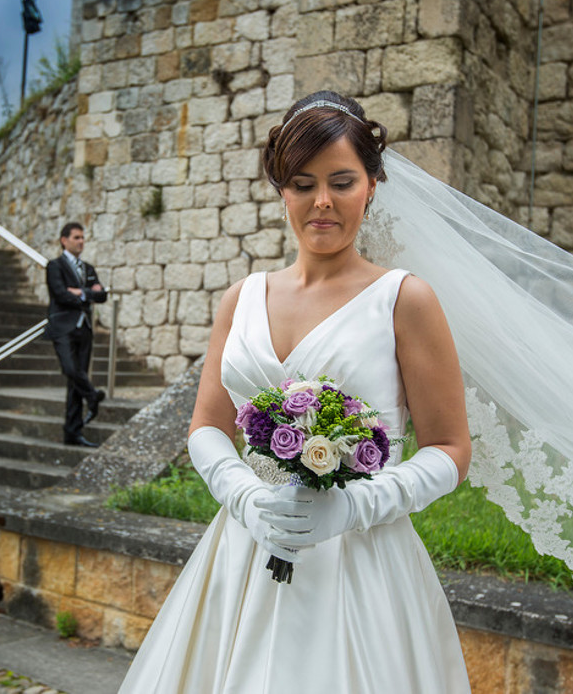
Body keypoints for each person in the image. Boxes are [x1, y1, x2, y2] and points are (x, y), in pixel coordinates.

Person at [118, 92, 474, 691]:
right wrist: (243, 497)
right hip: (244, 546)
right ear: (283, 190)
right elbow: (208, 425)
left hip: (360, 559)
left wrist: (351, 506)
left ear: (372, 186)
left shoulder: (405, 299)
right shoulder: (242, 297)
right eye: (303, 183)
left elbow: (451, 448)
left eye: (343, 180)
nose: (323, 201)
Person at [43, 222, 107, 447]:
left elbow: (102, 296)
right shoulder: (54, 266)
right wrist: (89, 293)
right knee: (71, 369)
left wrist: (80, 292)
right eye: (76, 237)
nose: (81, 241)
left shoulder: (88, 268)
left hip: (85, 328)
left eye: (83, 237)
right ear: (64, 240)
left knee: (74, 382)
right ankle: (92, 395)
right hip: (62, 328)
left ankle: (72, 432)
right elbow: (60, 294)